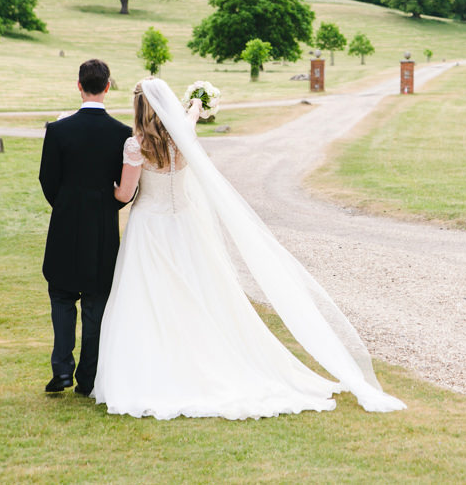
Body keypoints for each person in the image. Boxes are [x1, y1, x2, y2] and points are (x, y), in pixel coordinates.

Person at [92, 77, 405, 419]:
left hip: (150, 228)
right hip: (184, 223)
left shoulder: (135, 146)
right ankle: (201, 357)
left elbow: (124, 194)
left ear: (138, 108)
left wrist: (103, 189)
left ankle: (159, 364)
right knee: (198, 292)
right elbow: (190, 120)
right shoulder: (181, 136)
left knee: (149, 296)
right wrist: (196, 104)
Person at [38, 59, 132, 395]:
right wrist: (107, 206)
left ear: (79, 86)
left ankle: (62, 370)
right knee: (96, 303)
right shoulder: (122, 134)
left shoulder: (58, 130)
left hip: (64, 225)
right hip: (103, 229)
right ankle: (88, 378)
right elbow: (124, 191)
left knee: (62, 297)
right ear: (108, 86)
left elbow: (47, 179)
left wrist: (65, 207)